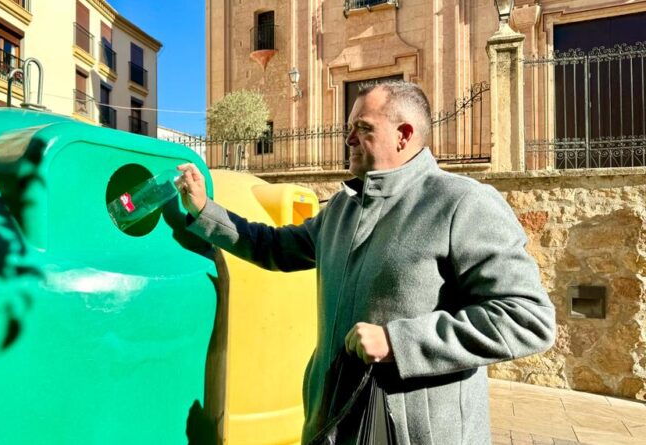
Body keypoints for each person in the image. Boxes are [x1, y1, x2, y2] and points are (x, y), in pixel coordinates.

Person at [176, 80, 556, 444]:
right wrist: (205, 210)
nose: (349, 139)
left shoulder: (462, 203)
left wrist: (398, 342)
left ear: (404, 135)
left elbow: (527, 318)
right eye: (349, 128)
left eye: (362, 128)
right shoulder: (343, 208)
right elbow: (273, 247)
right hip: (332, 424)